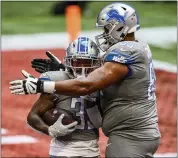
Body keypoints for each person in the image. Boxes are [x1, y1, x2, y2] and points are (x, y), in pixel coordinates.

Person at [9, 2, 161, 157]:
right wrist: (64, 70)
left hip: (132, 134)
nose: (105, 33)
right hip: (134, 131)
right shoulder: (137, 46)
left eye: (107, 28)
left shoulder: (124, 50)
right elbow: (94, 77)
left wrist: (41, 85)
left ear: (121, 27)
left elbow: (87, 85)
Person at [26, 37, 102, 158]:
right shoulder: (57, 82)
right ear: (69, 62)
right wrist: (49, 130)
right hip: (62, 150)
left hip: (91, 150)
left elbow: (100, 122)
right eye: (77, 62)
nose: (81, 68)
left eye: (86, 63)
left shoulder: (101, 83)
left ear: (96, 64)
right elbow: (32, 116)